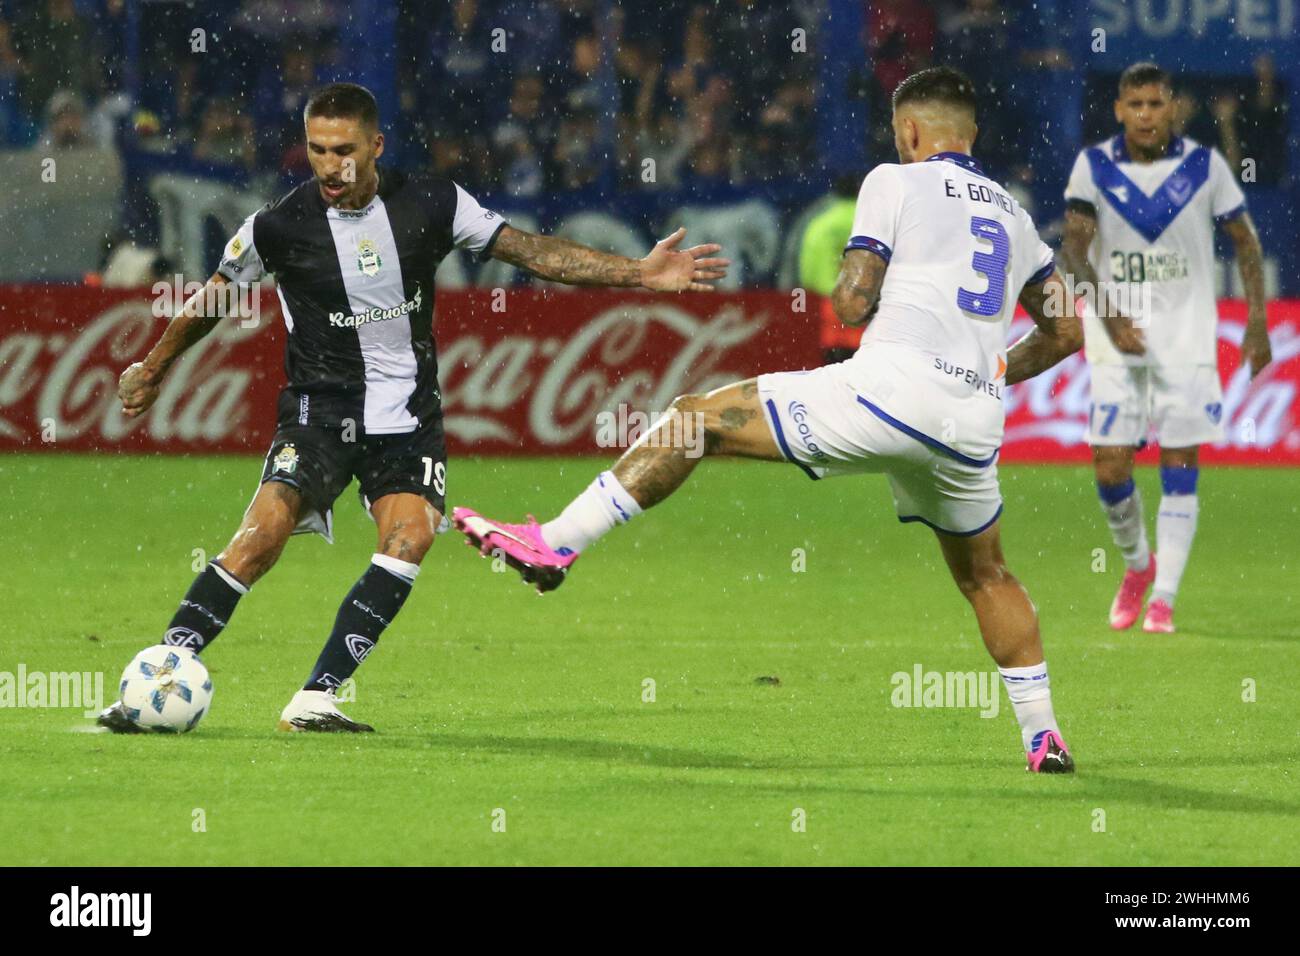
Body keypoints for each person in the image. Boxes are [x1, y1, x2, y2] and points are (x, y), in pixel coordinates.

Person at [453, 67, 1084, 774]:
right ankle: (1044, 736)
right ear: (973, 132)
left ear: (909, 131)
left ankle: (558, 542)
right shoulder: (1016, 216)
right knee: (986, 575)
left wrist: (864, 282)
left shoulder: (892, 182)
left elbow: (849, 303)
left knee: (697, 418)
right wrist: (996, 368)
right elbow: (1066, 334)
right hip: (973, 421)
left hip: (891, 390)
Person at [100, 82, 728, 733]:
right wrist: (152, 368)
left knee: (411, 537)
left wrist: (639, 273)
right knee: (260, 537)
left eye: (344, 150)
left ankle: (317, 697)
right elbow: (211, 300)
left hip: (406, 419)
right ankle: (161, 675)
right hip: (318, 414)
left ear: (375, 144)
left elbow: (533, 251)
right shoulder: (276, 226)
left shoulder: (433, 202)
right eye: (316, 150)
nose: (330, 166)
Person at [1060, 62, 1272, 634]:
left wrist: (1257, 323)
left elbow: (1245, 243)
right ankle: (1137, 565)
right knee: (1109, 466)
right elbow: (1073, 253)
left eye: (1157, 104)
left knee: (1179, 464)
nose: (1147, 115)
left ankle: (1165, 599)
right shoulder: (1094, 167)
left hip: (1185, 341)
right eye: (1137, 105)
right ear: (1119, 110)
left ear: (1173, 106)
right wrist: (1110, 315)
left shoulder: (1205, 167)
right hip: (1117, 343)